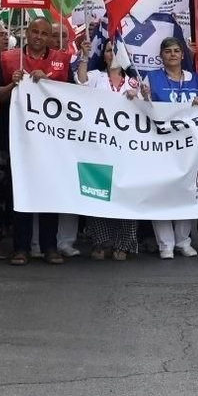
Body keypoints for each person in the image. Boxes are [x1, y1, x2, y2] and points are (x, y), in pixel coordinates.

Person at [9, 17, 78, 265]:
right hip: (20, 140)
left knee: (50, 190)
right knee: (21, 190)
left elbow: (72, 96)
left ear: (50, 37)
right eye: (34, 31)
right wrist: (12, 84)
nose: (38, 36)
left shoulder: (62, 59)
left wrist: (47, 82)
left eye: (44, 33)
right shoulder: (10, 59)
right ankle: (21, 248)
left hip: (52, 140)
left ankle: (50, 246)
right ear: (26, 33)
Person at [143, 37, 198, 258]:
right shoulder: (151, 78)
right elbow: (144, 106)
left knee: (186, 190)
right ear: (161, 55)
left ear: (182, 54)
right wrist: (139, 96)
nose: (172, 54)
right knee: (161, 192)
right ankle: (165, 244)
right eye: (167, 51)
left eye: (177, 51)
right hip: (160, 144)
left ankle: (183, 240)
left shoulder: (195, 79)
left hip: (188, 145)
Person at [78, 41, 140, 260]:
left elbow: (148, 111)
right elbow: (81, 82)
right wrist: (84, 56)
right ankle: (100, 242)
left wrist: (140, 97)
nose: (112, 53)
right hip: (98, 147)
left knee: (126, 195)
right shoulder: (96, 77)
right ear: (103, 56)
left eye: (116, 50)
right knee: (97, 193)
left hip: (127, 150)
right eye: (108, 50)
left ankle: (123, 244)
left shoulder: (135, 82)